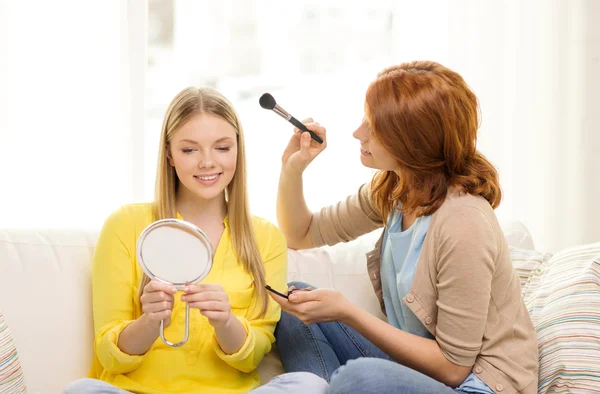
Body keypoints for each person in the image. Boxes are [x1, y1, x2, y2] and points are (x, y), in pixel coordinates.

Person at [270, 61, 539, 394]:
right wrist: (292, 169)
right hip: (418, 374)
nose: (358, 133)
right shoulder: (395, 190)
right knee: (297, 302)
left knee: (358, 379)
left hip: (477, 385)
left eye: (374, 126)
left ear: (413, 140)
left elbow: (454, 368)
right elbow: (302, 233)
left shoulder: (464, 222)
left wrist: (348, 312)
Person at [64, 87, 327, 394]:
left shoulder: (266, 238)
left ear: (238, 150)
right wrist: (148, 323)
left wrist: (226, 322)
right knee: (82, 389)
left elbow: (252, 357)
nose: (207, 163)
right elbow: (110, 356)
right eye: (189, 150)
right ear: (169, 155)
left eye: (222, 148)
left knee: (308, 384)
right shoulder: (125, 225)